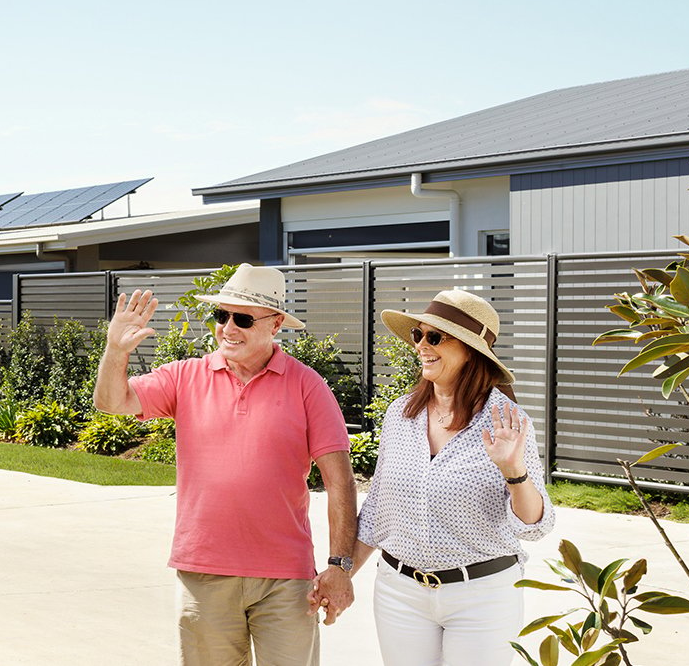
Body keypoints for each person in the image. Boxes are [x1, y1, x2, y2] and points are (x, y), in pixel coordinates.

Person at [94, 264, 357, 666]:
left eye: (243, 318)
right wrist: (116, 350)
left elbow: (339, 482)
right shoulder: (184, 376)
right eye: (221, 316)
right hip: (204, 572)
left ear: (276, 324)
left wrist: (339, 566)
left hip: (285, 580)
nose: (228, 328)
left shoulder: (308, 386)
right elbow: (112, 401)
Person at [346, 289, 555, 665]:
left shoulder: (507, 421)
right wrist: (341, 574)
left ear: (471, 351)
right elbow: (377, 509)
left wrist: (514, 472)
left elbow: (534, 526)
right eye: (418, 335)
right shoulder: (400, 415)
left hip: (482, 597)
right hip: (399, 592)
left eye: (435, 337)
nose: (421, 346)